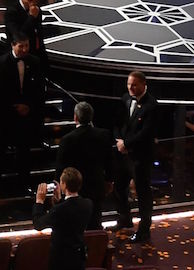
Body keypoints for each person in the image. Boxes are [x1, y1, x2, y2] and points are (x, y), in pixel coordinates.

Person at [0, 36, 45, 170]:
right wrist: (14, 107)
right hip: (6, 114)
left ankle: (24, 183)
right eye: (21, 46)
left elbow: (38, 88)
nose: (25, 49)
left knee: (24, 150)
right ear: (13, 45)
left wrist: (28, 107)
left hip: (26, 114)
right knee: (0, 151)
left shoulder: (34, 61)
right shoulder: (1, 62)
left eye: (27, 45)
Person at [56, 101, 115, 217]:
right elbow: (110, 161)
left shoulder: (67, 139)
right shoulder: (104, 135)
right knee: (95, 219)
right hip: (97, 184)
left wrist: (58, 185)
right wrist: (109, 180)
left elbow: (60, 166)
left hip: (75, 186)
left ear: (75, 117)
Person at [117, 70, 156, 243]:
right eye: (128, 84)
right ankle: (125, 219)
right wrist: (118, 140)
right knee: (119, 187)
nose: (130, 88)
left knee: (143, 194)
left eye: (134, 85)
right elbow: (117, 122)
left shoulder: (152, 105)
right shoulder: (125, 98)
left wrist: (127, 144)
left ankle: (144, 231)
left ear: (143, 84)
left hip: (140, 157)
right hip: (123, 155)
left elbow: (146, 133)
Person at [34, 167, 95, 270]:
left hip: (60, 260)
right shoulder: (88, 204)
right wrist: (59, 201)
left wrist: (39, 201)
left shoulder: (59, 210)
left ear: (64, 185)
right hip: (78, 257)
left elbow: (38, 224)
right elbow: (70, 212)